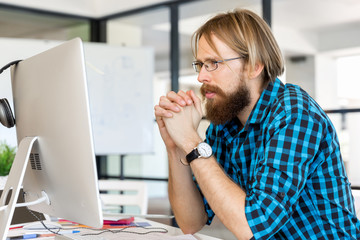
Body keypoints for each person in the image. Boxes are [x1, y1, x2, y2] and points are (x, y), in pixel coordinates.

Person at [154, 8, 360, 240]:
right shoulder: (225, 125)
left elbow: (252, 225)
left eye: (213, 63)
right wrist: (176, 146)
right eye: (200, 65)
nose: (201, 77)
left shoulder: (294, 114)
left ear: (254, 66)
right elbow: (191, 221)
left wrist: (192, 141)